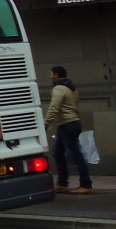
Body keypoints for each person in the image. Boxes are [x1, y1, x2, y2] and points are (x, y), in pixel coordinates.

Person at [44, 65, 93, 195]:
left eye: (51, 74)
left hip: (67, 124)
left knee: (75, 154)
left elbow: (54, 107)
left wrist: (46, 123)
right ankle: (62, 183)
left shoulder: (58, 89)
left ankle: (85, 184)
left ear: (56, 75)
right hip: (71, 123)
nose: (50, 77)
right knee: (58, 152)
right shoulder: (72, 88)